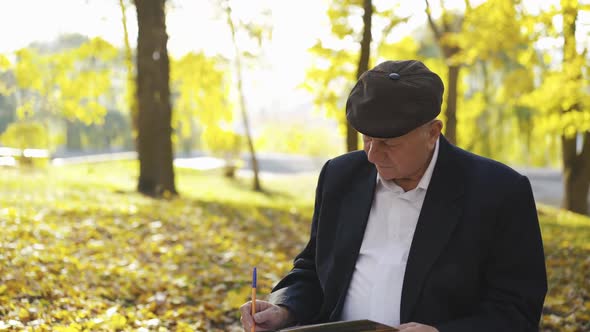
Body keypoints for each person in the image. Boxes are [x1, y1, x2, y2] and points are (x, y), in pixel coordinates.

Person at [240, 60, 547, 332]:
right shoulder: (340, 176)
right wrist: (284, 308)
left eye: (388, 143)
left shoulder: (499, 192)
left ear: (432, 133)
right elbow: (313, 269)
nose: (373, 155)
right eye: (367, 139)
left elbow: (517, 311)